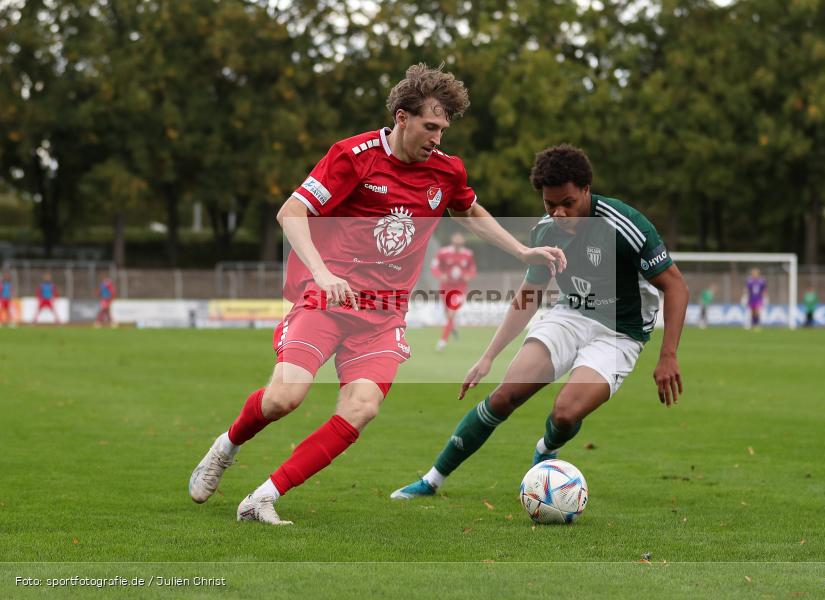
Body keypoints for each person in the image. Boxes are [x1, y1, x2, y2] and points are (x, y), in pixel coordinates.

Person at [188, 63, 567, 526]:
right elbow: (291, 214)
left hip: (384, 315)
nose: (438, 139)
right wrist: (323, 273)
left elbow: (468, 212)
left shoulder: (446, 171)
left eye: (444, 129)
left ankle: (263, 497)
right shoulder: (354, 156)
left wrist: (523, 248)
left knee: (362, 408)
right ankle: (225, 447)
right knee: (283, 399)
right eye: (430, 127)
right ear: (402, 118)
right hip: (326, 300)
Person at [391, 144, 689, 501]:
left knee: (565, 414)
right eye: (550, 205)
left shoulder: (624, 225)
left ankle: (546, 450)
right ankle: (432, 479)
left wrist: (668, 355)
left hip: (619, 333)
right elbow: (529, 295)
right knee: (505, 395)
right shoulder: (545, 231)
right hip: (569, 316)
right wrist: (488, 356)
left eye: (567, 202)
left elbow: (675, 285)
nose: (559, 213)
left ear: (586, 189)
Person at [431, 231, 477, 351]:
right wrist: (440, 275)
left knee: (451, 312)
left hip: (460, 288)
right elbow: (434, 266)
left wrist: (469, 275)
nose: (457, 242)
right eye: (455, 239)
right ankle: (453, 328)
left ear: (463, 241)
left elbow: (472, 268)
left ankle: (442, 342)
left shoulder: (468, 254)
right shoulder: (443, 252)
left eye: (459, 239)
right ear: (452, 240)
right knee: (448, 315)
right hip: (445, 287)